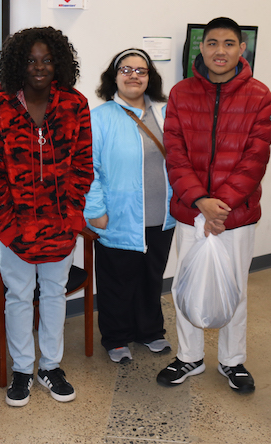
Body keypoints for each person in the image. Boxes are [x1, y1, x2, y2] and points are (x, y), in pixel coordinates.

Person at [158, 17, 271, 394]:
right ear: (201, 48)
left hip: (234, 216)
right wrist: (200, 202)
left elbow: (255, 158)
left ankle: (232, 361)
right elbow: (174, 154)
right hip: (191, 211)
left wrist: (220, 206)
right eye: (211, 43)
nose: (219, 51)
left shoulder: (259, 95)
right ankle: (189, 357)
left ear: (241, 49)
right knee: (185, 287)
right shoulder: (180, 93)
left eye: (228, 43)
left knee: (234, 288)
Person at [0, 26, 93, 407]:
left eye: (47, 60)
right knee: (19, 296)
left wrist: (72, 216)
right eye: (30, 60)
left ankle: (51, 366)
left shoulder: (75, 104)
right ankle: (23, 370)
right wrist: (5, 227)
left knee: (55, 295)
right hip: (15, 230)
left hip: (60, 228)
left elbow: (83, 166)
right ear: (18, 65)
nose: (39, 67)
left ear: (58, 62)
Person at [85, 48, 176, 364]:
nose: (134, 75)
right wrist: (94, 210)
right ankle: (116, 336)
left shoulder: (166, 114)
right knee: (117, 282)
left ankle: (150, 331)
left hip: (162, 217)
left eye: (141, 70)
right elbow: (87, 168)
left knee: (152, 278)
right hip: (118, 216)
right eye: (126, 69)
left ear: (150, 77)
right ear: (114, 77)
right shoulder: (99, 118)